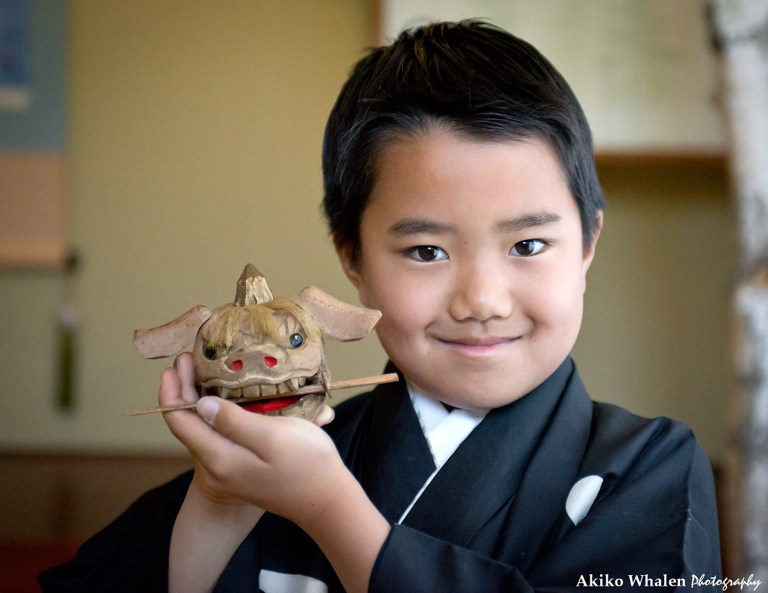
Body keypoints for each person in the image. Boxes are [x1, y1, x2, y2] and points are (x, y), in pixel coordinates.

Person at [39, 20, 722, 593]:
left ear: (587, 245)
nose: (482, 300)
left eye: (530, 243)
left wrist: (332, 510)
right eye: (427, 251)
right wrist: (221, 501)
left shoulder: (649, 463)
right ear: (353, 262)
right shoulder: (282, 459)